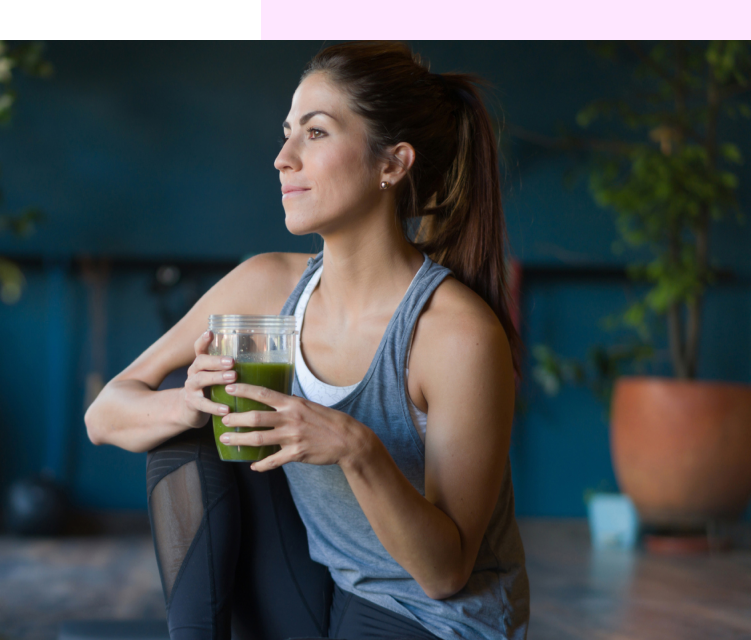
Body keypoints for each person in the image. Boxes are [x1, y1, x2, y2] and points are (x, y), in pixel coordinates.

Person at [85, 41, 529, 640]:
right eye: (287, 133)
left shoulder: (453, 335)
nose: (282, 158)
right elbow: (105, 414)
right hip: (329, 586)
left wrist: (355, 447)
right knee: (188, 437)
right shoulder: (265, 286)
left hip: (432, 616)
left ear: (392, 164)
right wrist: (192, 403)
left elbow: (445, 572)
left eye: (315, 134)